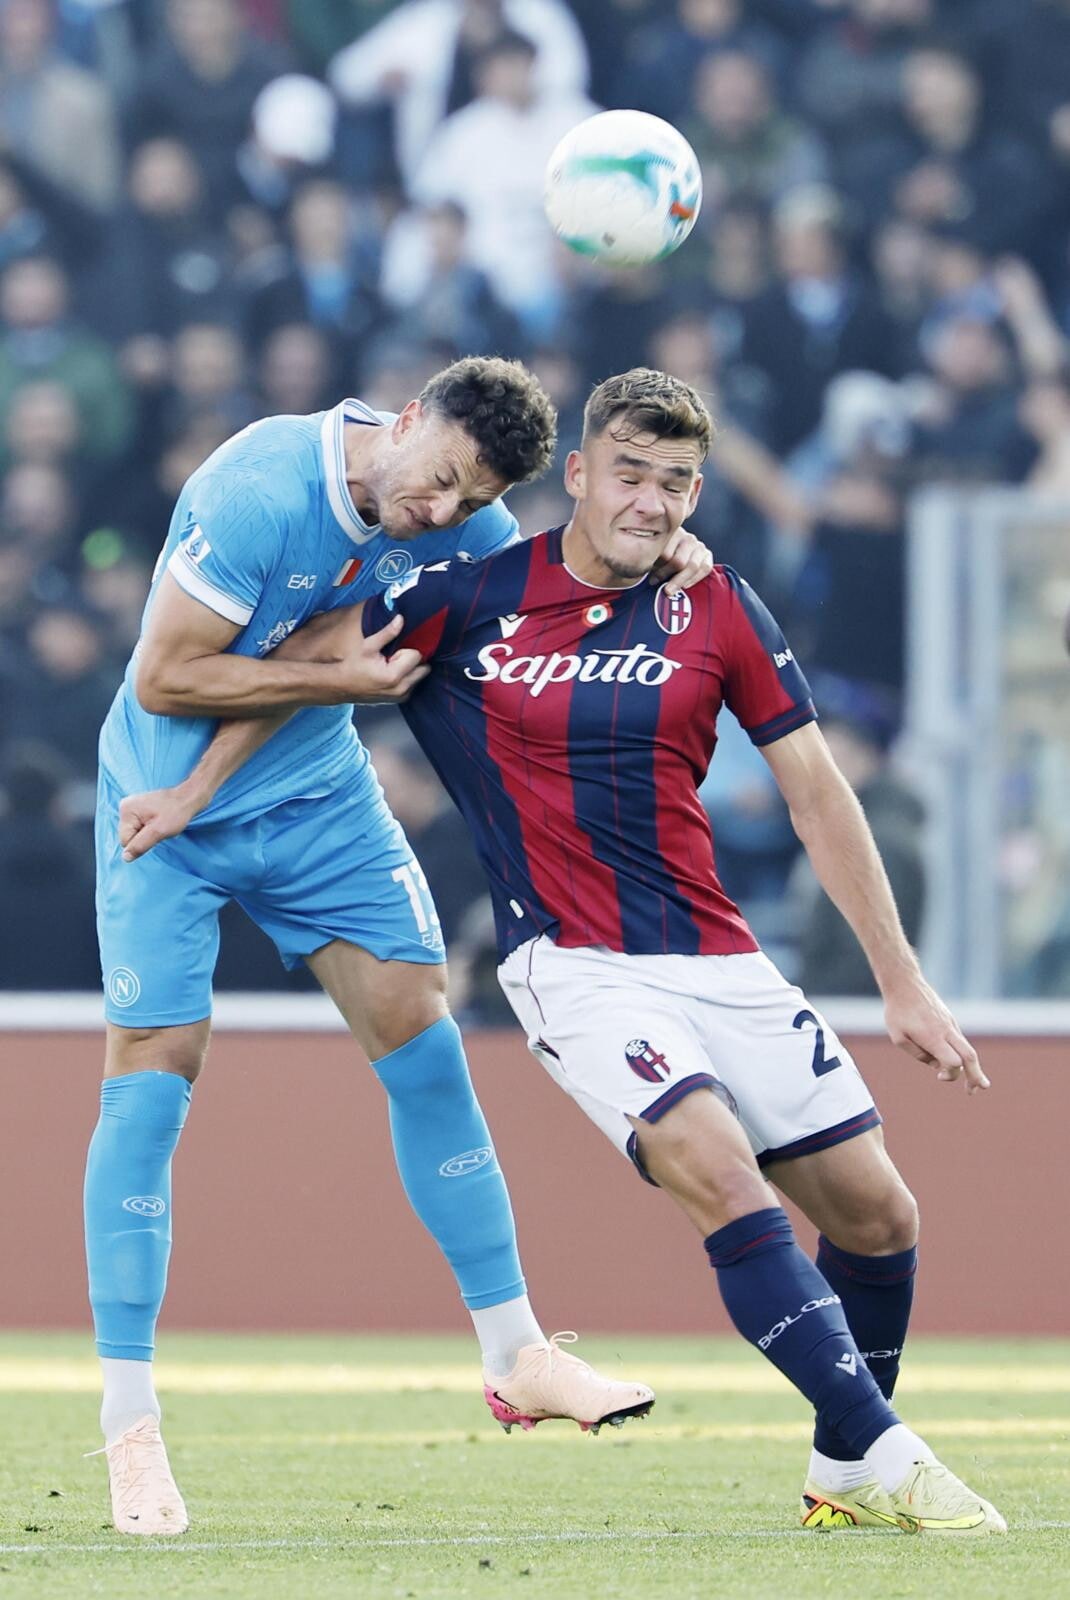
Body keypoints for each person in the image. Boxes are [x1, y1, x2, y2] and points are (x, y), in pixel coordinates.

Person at [133, 368, 1007, 1536]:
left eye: (675, 483)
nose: (650, 501)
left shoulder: (718, 604)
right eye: (630, 475)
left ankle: (843, 1463)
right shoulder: (468, 593)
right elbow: (307, 667)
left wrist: (901, 981)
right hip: (571, 963)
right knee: (717, 1171)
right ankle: (895, 1455)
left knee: (878, 1216)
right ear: (580, 476)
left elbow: (815, 793)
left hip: (718, 956)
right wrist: (192, 789)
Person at [92, 355, 727, 1536]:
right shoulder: (256, 490)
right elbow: (167, 676)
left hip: (315, 800)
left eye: (468, 499)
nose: (441, 512)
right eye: (438, 479)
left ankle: (515, 1351)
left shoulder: (457, 521)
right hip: (156, 804)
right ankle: (130, 1423)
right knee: (152, 1080)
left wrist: (662, 554)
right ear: (404, 419)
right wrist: (236, 760)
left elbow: (539, 580)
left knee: (422, 1038)